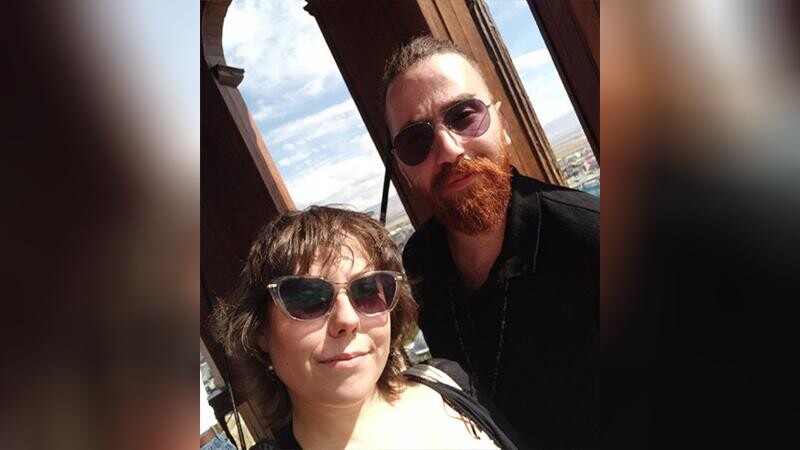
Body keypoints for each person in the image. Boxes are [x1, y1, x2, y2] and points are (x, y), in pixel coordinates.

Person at [382, 36, 599, 448]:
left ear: (502, 125)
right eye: (415, 140)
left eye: (464, 116)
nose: (449, 150)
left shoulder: (590, 237)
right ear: (403, 169)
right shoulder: (421, 261)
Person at [211, 206, 523, 450]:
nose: (347, 320)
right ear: (260, 331)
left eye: (368, 291)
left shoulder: (447, 382)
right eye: (308, 298)